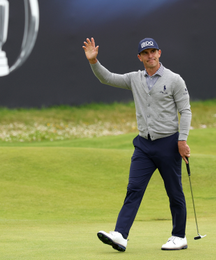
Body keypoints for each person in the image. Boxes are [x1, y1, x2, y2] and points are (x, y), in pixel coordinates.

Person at [82, 37, 192, 251]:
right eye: (146, 53)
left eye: (153, 52)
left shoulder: (174, 79)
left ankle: (179, 236)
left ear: (159, 53)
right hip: (144, 145)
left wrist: (182, 140)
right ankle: (121, 235)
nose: (150, 56)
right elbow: (108, 78)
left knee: (174, 191)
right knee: (133, 189)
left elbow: (185, 111)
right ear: (140, 57)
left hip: (169, 143)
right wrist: (93, 61)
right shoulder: (135, 78)